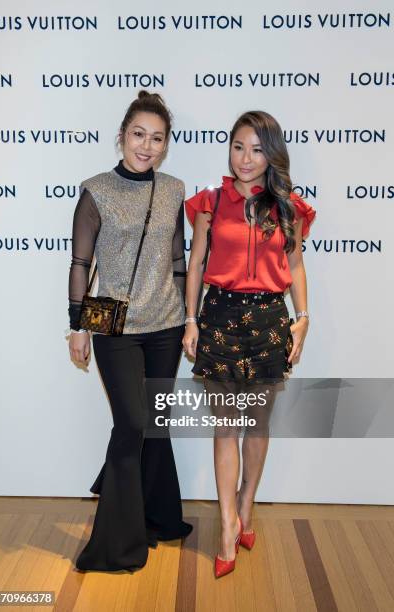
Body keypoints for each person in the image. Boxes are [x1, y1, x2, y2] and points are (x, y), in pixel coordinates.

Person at [182, 110, 316, 578]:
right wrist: (191, 320)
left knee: (256, 424)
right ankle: (225, 528)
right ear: (230, 148)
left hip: (267, 320)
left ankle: (246, 506)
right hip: (217, 315)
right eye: (239, 146)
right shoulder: (208, 203)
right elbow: (196, 264)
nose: (246, 158)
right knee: (226, 428)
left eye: (257, 149)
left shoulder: (289, 208)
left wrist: (303, 318)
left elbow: (295, 266)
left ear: (271, 154)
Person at [67, 90, 192, 572]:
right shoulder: (96, 189)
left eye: (157, 138)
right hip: (111, 323)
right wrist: (77, 325)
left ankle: (158, 519)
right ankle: (115, 546)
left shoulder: (174, 189)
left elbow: (178, 260)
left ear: (166, 145)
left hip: (166, 324)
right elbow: (82, 263)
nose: (147, 145)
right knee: (131, 425)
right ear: (122, 137)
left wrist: (188, 320)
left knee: (155, 425)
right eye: (138, 134)